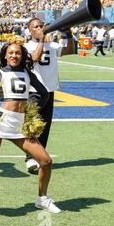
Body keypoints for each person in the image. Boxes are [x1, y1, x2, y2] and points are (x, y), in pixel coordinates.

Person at [0, 35, 61, 215]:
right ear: (5, 56)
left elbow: (44, 94)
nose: (14, 56)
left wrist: (32, 109)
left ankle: (42, 199)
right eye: (11, 53)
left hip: (21, 125)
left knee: (46, 161)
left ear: (22, 55)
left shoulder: (28, 74)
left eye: (17, 53)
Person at [23, 18, 74, 173]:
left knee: (44, 126)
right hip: (33, 92)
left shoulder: (52, 45)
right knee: (32, 126)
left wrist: (69, 35)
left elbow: (70, 50)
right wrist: (41, 41)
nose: (39, 28)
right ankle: (29, 158)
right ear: (30, 31)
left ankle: (40, 155)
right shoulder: (26, 47)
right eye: (36, 26)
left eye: (41, 26)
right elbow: (35, 58)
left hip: (50, 91)